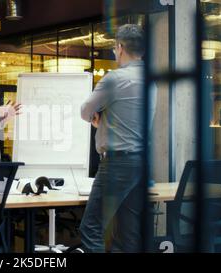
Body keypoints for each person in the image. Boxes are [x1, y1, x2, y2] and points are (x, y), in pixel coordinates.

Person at [79, 24, 157, 252]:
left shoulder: (115, 78)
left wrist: (97, 119)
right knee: (128, 233)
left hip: (117, 163)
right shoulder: (151, 79)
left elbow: (85, 110)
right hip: (140, 163)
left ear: (120, 47)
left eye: (114, 48)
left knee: (91, 228)